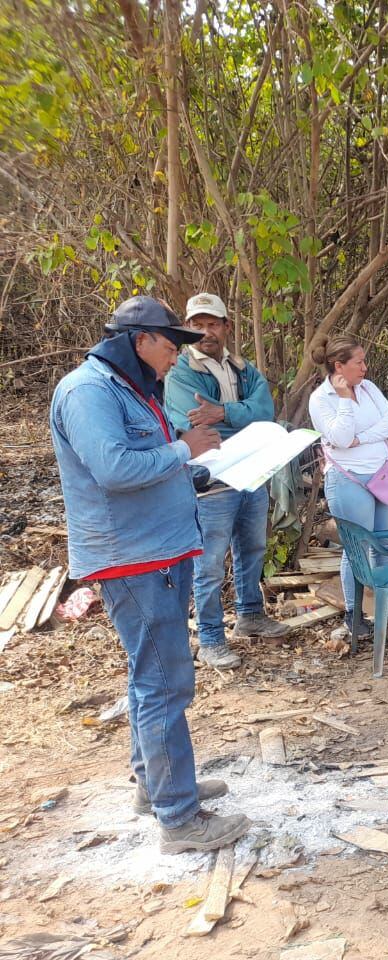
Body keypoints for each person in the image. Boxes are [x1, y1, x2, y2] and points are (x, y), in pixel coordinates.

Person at [50, 296, 250, 853]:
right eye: (170, 345)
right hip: (134, 558)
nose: (174, 358)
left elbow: (152, 464)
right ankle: (180, 819)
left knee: (150, 677)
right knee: (164, 683)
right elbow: (115, 469)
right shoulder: (89, 391)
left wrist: (195, 465)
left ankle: (152, 785)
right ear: (140, 341)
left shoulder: (132, 388)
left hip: (158, 550)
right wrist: (183, 448)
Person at [163, 292, 289, 669]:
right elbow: (192, 421)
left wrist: (223, 412)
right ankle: (211, 637)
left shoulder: (243, 368)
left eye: (212, 324)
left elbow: (265, 410)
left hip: (252, 472)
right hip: (213, 478)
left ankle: (250, 614)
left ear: (226, 327)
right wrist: (239, 419)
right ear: (187, 328)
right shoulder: (181, 370)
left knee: (252, 547)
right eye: (197, 325)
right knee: (211, 561)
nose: (205, 332)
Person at [307, 334, 388, 638]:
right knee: (357, 547)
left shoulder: (369, 388)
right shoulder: (321, 398)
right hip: (349, 477)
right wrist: (344, 402)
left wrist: (361, 438)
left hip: (380, 473)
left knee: (386, 541)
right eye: (359, 362)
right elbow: (338, 437)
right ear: (339, 366)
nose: (365, 367)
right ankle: (354, 611)